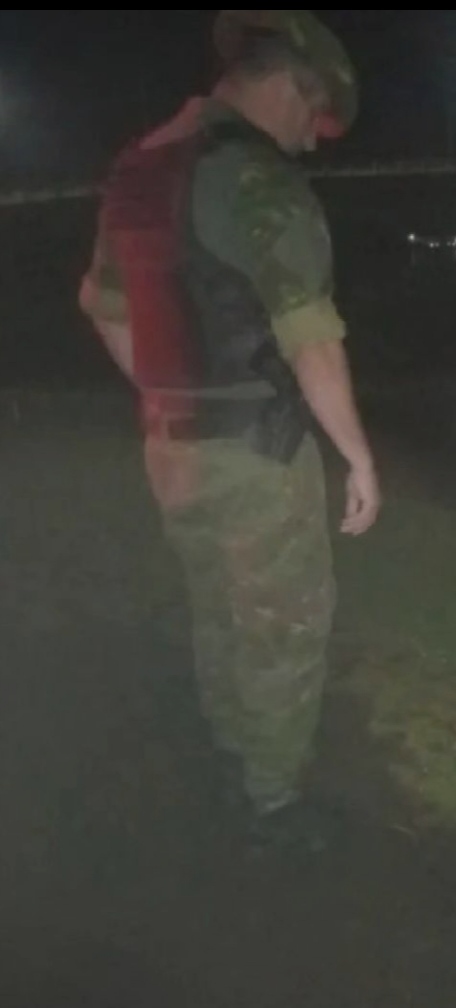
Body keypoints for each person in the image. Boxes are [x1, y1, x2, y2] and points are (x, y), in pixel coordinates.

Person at [78, 10, 381, 849]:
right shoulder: (258, 180)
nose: (311, 143)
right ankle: (273, 802)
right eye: (310, 117)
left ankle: (226, 749)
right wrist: (357, 457)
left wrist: (167, 390)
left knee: (215, 605)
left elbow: (98, 305)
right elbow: (310, 338)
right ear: (286, 86)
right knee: (282, 626)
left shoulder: (138, 166)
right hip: (257, 452)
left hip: (168, 445)